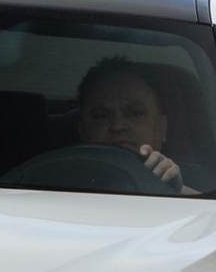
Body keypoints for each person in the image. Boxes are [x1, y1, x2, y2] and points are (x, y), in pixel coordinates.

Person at [77, 59, 185, 191]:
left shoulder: (207, 183)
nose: (118, 126)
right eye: (102, 116)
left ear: (163, 128)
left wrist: (176, 192)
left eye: (136, 114)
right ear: (82, 131)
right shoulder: (57, 179)